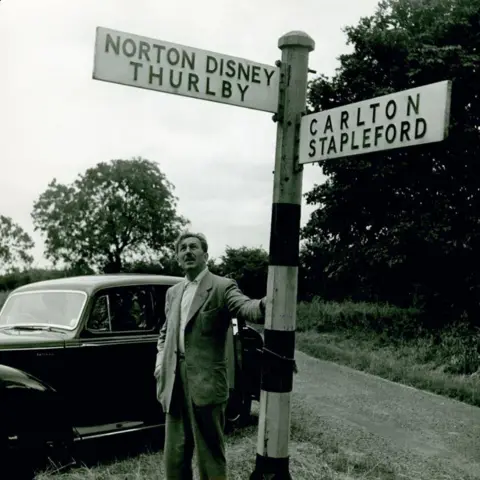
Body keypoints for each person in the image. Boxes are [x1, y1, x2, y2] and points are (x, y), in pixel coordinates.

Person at [154, 231, 266, 480]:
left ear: (206, 255)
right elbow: (165, 333)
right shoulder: (173, 292)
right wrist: (160, 363)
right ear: (178, 257)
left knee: (210, 454)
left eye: (193, 247)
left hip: (206, 383)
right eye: (182, 248)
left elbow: (243, 306)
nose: (187, 251)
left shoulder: (221, 286)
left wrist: (264, 306)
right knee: (174, 455)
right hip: (174, 382)